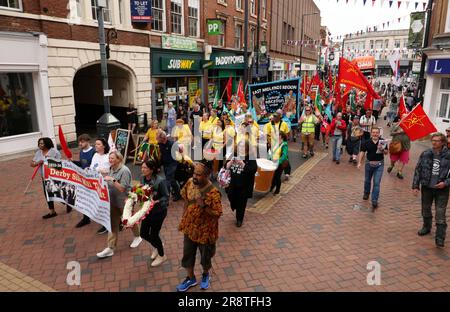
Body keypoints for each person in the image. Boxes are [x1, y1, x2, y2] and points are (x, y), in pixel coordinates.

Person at [176, 161, 223, 292]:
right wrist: (184, 218)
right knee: (187, 255)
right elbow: (186, 199)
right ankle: (190, 278)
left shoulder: (213, 193)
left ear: (207, 175)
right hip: (190, 228)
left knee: (205, 257)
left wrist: (203, 206)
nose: (195, 177)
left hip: (206, 232)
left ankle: (206, 274)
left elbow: (217, 214)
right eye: (194, 173)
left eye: (199, 175)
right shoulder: (190, 182)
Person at [96, 151, 142, 258]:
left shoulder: (124, 171)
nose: (110, 160)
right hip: (112, 201)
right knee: (112, 224)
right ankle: (110, 248)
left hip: (124, 201)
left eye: (112, 158)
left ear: (119, 159)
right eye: (109, 158)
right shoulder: (112, 168)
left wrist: (112, 180)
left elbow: (122, 188)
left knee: (129, 220)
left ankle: (137, 236)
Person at [413, 133, 450, 248]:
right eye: (433, 140)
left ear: (443, 142)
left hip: (442, 189)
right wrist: (415, 186)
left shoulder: (448, 155)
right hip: (427, 187)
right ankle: (426, 227)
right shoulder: (426, 153)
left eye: (437, 140)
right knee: (425, 209)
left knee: (440, 213)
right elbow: (418, 169)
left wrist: (445, 183)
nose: (434, 142)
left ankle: (440, 237)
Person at [140, 160, 169, 266]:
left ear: (152, 170)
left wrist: (156, 201)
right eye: (142, 167)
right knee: (143, 233)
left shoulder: (160, 181)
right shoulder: (142, 178)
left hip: (158, 212)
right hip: (147, 211)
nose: (143, 169)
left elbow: (166, 196)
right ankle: (158, 245)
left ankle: (162, 256)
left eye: (145, 168)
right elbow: (141, 191)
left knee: (154, 234)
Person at [31, 137, 67, 219]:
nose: (40, 145)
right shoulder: (38, 153)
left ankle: (66, 203)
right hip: (44, 177)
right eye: (39, 143)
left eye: (42, 143)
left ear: (47, 143)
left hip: (54, 177)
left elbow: (60, 165)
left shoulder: (54, 152)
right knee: (47, 194)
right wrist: (37, 163)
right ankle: (52, 211)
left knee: (57, 192)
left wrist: (49, 161)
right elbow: (32, 164)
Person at [225, 139, 257, 227]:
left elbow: (253, 170)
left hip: (244, 186)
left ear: (247, 148)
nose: (241, 148)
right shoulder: (234, 155)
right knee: (231, 196)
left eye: (243, 146)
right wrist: (230, 162)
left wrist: (243, 164)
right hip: (233, 184)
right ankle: (234, 205)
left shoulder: (250, 157)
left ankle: (239, 219)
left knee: (241, 204)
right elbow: (225, 166)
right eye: (239, 146)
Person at [357, 127, 388, 210]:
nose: (375, 134)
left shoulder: (383, 141)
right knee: (367, 180)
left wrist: (382, 149)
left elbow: (386, 153)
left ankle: (374, 200)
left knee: (376, 182)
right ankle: (366, 193)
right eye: (373, 132)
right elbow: (362, 152)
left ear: (379, 133)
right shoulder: (366, 142)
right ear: (371, 133)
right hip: (369, 164)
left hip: (379, 164)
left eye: (376, 132)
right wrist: (359, 162)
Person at [72, 134, 96, 228]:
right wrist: (73, 162)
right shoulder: (81, 152)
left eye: (82, 141)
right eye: (79, 142)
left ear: (87, 141)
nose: (80, 143)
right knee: (84, 199)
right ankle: (86, 218)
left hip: (92, 179)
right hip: (84, 179)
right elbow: (82, 164)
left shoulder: (93, 151)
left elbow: (95, 165)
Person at [90, 138, 112, 235]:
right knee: (100, 203)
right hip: (97, 183)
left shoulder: (108, 156)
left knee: (108, 204)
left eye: (98, 144)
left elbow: (108, 170)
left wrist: (98, 169)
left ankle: (108, 224)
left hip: (107, 184)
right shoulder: (95, 155)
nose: (96, 145)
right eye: (95, 144)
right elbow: (92, 167)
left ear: (104, 146)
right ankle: (106, 223)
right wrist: (99, 170)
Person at [157, 131, 182, 201]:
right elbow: (160, 155)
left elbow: (180, 150)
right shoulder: (160, 144)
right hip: (165, 164)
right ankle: (177, 193)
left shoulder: (171, 144)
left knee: (168, 180)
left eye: (158, 138)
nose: (157, 140)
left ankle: (166, 197)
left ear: (163, 138)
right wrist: (159, 165)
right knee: (172, 180)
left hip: (172, 164)